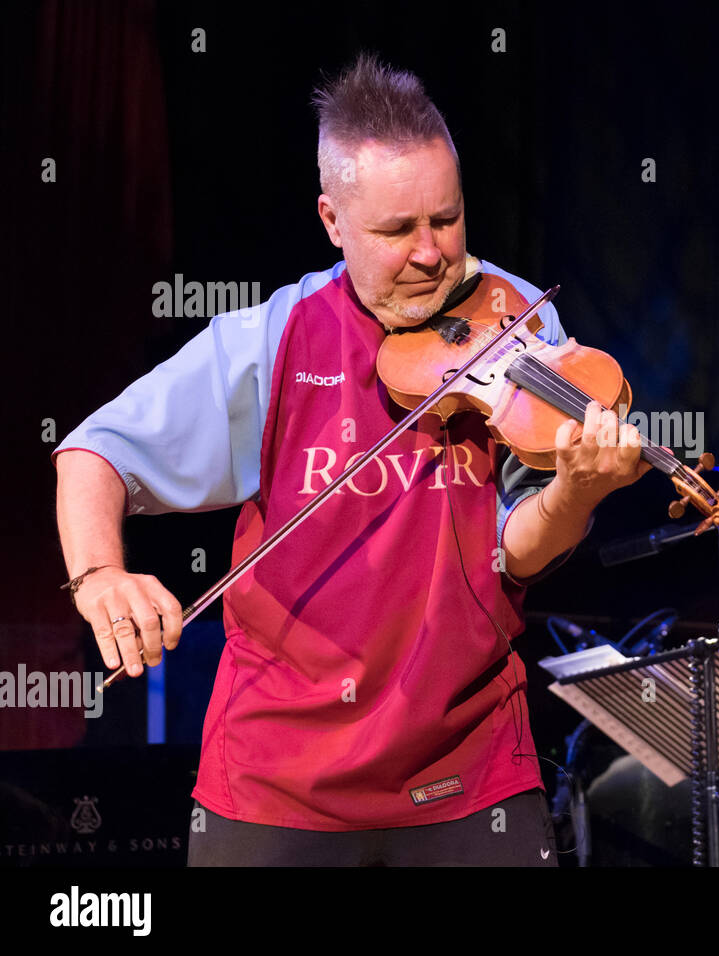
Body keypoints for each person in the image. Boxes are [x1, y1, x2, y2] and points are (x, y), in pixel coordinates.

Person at [52, 55, 651, 866]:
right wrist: (101, 577)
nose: (433, 254)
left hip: (465, 772)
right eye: (397, 231)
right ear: (333, 221)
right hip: (278, 785)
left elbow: (519, 548)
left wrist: (576, 493)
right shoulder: (273, 339)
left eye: (447, 218)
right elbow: (93, 452)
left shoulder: (516, 321)